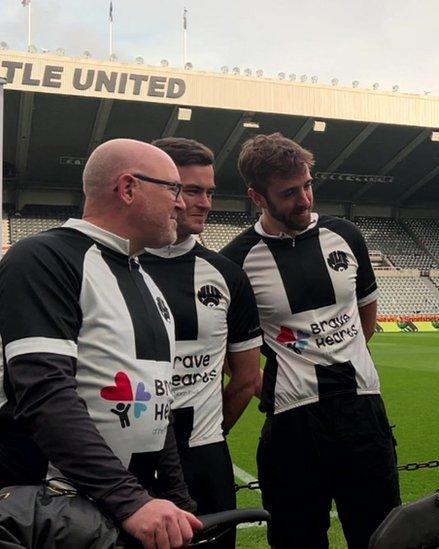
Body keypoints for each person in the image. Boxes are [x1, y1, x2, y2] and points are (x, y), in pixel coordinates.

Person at [0, 138, 202, 548]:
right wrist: (130, 501)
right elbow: (44, 394)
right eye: (174, 189)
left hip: (130, 512)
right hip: (55, 514)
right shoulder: (43, 258)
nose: (181, 204)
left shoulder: (144, 278)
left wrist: (179, 501)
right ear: (128, 188)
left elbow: (157, 406)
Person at [220, 133, 399, 549]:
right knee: (297, 539)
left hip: (363, 411)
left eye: (307, 185)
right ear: (256, 196)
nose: (304, 199)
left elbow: (366, 313)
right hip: (294, 425)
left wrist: (346, 352)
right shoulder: (235, 261)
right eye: (288, 192)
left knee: (383, 538)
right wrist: (272, 378)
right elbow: (231, 349)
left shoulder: (346, 235)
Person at [139, 138, 263, 549]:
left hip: (206, 460)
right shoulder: (109, 265)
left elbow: (247, 378)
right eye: (192, 190)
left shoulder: (227, 275)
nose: (206, 202)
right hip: (125, 462)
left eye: (209, 191)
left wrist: (210, 433)